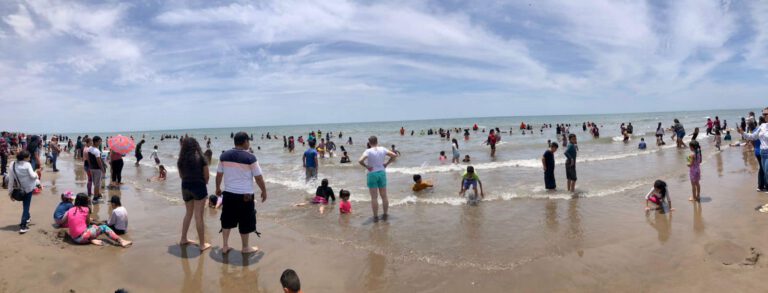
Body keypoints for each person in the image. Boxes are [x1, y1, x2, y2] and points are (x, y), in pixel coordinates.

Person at [215, 132, 267, 254]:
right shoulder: (250, 157)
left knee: (226, 219)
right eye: (248, 141)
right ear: (245, 142)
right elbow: (258, 177)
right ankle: (245, 248)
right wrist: (264, 191)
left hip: (228, 194)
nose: (249, 143)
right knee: (245, 220)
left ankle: (225, 246)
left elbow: (219, 174)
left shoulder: (224, 156)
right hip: (246, 196)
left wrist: (217, 187)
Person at [60, 193, 132, 247]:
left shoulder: (70, 210)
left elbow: (67, 221)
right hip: (81, 239)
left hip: (73, 238)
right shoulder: (86, 209)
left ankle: (90, 240)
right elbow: (88, 224)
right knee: (103, 227)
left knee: (91, 227)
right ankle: (121, 241)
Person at [178, 137, 211, 251]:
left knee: (188, 214)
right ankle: (202, 244)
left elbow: (181, 176)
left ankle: (183, 238)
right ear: (196, 145)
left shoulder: (181, 160)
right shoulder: (201, 158)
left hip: (185, 187)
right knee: (199, 216)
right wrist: (204, 183)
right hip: (198, 187)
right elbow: (207, 176)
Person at [358, 136, 397, 221]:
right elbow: (394, 155)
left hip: (372, 174)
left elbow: (360, 160)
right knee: (384, 196)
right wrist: (386, 163)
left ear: (369, 142)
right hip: (381, 173)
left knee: (374, 197)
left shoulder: (368, 151)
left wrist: (366, 166)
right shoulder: (382, 149)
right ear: (377, 141)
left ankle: (375, 216)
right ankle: (385, 214)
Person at [8, 150, 39, 233]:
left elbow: (11, 180)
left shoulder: (12, 164)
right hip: (28, 189)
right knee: (26, 206)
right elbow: (33, 176)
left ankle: (27, 218)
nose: (29, 158)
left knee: (25, 205)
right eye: (29, 157)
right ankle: (23, 226)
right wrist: (36, 173)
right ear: (25, 158)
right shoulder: (27, 164)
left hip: (19, 189)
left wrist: (10, 193)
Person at [740, 109, 768, 190]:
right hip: (762, 153)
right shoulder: (762, 126)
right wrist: (742, 133)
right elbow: (753, 136)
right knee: (765, 173)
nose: (764, 116)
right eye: (763, 114)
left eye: (766, 114)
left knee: (767, 172)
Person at [87, 136, 106, 202]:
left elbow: (88, 158)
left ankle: (98, 194)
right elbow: (99, 161)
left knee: (95, 183)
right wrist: (102, 169)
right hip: (97, 169)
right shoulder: (96, 151)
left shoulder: (89, 148)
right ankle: (95, 198)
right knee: (97, 184)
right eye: (99, 141)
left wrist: (90, 166)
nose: (100, 143)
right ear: (96, 142)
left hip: (92, 168)